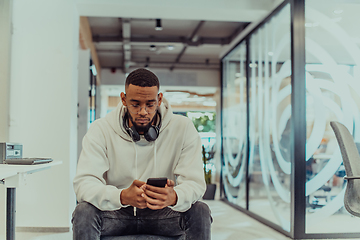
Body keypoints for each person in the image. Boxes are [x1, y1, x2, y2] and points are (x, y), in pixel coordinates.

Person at [72, 68, 212, 239]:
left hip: (164, 215)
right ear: (123, 99)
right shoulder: (101, 129)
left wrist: (174, 197)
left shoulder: (183, 128)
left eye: (150, 104)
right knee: (83, 211)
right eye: (135, 104)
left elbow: (195, 183)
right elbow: (84, 183)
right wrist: (121, 196)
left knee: (200, 210)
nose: (143, 112)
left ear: (159, 99)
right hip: (117, 213)